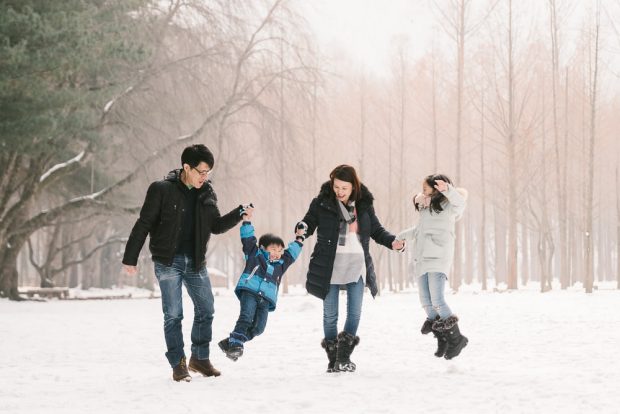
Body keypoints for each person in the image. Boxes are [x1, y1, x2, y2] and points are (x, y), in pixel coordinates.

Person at [122, 144, 250, 382]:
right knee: (173, 314)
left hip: (196, 263)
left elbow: (216, 226)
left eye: (208, 173)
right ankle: (178, 364)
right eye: (201, 172)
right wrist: (130, 258)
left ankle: (199, 359)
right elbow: (143, 224)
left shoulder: (207, 193)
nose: (205, 177)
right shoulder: (161, 190)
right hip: (167, 261)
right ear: (186, 167)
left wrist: (239, 213)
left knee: (206, 309)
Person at [297, 165, 405, 373]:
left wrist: (393, 242)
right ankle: (333, 359)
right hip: (330, 266)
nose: (339, 191)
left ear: (353, 186)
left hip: (356, 264)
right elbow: (308, 223)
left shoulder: (363, 205)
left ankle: (343, 357)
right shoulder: (321, 203)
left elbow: (376, 230)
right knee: (330, 315)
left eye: (344, 188)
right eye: (336, 186)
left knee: (354, 313)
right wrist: (301, 227)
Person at [397, 174, 468, 360]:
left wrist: (448, 190)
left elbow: (460, 204)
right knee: (426, 302)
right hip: (422, 259)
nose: (422, 191)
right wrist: (400, 236)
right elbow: (418, 230)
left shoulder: (449, 206)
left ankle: (457, 339)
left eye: (425, 188)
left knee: (437, 300)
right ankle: (442, 337)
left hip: (438, 257)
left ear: (436, 188)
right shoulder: (425, 207)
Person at [217, 217, 306, 361]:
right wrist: (246, 221)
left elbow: (293, 253)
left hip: (265, 299)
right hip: (250, 292)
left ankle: (232, 341)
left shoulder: (281, 264)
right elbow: (248, 240)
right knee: (246, 318)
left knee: (259, 328)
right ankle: (235, 345)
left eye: (280, 250)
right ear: (263, 248)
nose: (277, 253)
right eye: (273, 249)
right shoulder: (255, 255)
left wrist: (300, 237)